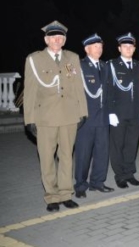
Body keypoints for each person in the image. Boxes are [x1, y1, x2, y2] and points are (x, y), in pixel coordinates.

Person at [24, 20, 88, 212]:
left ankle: (66, 194)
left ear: (64, 40)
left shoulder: (72, 57)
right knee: (46, 158)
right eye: (53, 37)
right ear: (46, 39)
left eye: (60, 37)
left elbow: (78, 87)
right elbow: (30, 91)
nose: (57, 40)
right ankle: (51, 196)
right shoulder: (34, 59)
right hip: (46, 118)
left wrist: (83, 112)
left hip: (69, 116)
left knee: (67, 157)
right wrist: (29, 119)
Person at [106, 32, 139, 189]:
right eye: (125, 47)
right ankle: (120, 175)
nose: (128, 49)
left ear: (134, 48)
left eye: (131, 47)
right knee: (117, 145)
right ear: (119, 48)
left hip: (135, 113)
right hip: (118, 114)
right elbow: (108, 90)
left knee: (132, 144)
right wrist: (110, 112)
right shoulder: (111, 65)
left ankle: (130, 173)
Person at [74, 33, 114, 199]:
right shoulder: (79, 66)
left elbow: (110, 92)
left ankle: (97, 182)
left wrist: (112, 113)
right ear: (86, 49)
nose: (99, 49)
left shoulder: (105, 67)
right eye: (95, 46)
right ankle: (81, 185)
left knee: (102, 152)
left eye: (101, 46)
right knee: (83, 153)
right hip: (86, 118)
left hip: (103, 118)